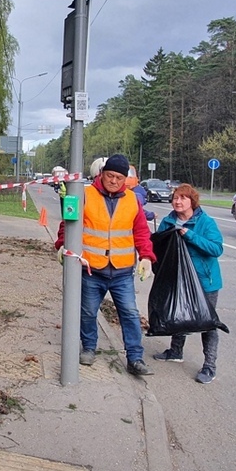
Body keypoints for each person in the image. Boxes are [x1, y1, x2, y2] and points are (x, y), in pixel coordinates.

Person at [54, 154, 156, 377]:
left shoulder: (132, 200)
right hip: (92, 268)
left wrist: (146, 256)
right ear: (101, 174)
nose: (114, 181)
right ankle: (89, 347)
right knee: (88, 311)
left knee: (130, 313)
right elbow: (68, 222)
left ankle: (135, 358)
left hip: (121, 271)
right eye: (110, 176)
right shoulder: (85, 194)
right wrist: (62, 243)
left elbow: (141, 232)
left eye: (119, 178)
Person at [152, 183, 225, 384]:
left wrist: (189, 235)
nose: (178, 201)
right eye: (175, 197)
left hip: (205, 281)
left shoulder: (205, 222)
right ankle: (176, 351)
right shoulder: (168, 222)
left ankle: (209, 366)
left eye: (183, 198)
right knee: (178, 315)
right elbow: (160, 250)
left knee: (207, 323)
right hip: (178, 279)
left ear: (192, 201)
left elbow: (216, 249)